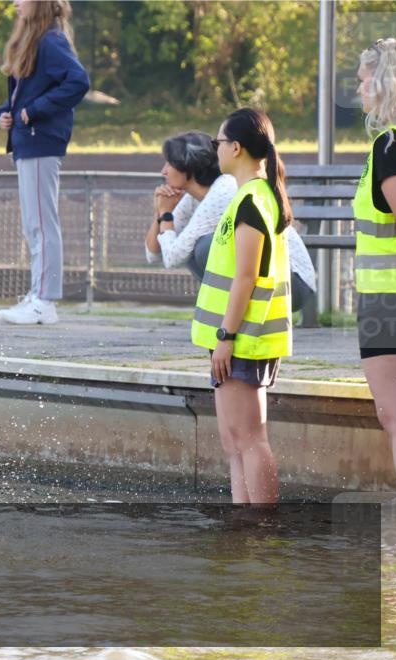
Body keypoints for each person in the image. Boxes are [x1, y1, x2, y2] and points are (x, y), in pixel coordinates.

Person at [190, 109, 294, 504]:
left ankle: (261, 534)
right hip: (233, 339)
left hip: (242, 338)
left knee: (250, 440)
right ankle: (243, 530)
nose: (215, 150)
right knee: (234, 442)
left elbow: (246, 277)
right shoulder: (250, 196)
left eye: (217, 143)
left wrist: (226, 337)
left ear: (235, 148)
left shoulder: (253, 200)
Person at [146, 131, 317, 311]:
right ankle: (231, 316)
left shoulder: (222, 191)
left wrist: (166, 214)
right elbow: (154, 254)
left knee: (203, 247)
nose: (163, 171)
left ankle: (232, 320)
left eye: (170, 163)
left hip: (292, 283)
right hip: (273, 281)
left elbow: (173, 258)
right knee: (193, 247)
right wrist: (160, 212)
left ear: (187, 166)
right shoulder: (194, 198)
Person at [0, 0, 89, 325]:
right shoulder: (38, 41)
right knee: (35, 224)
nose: (16, 4)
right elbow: (24, 93)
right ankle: (38, 295)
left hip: (40, 140)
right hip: (28, 141)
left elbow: (78, 81)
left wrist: (33, 111)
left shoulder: (51, 40)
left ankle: (44, 302)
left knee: (42, 224)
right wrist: (5, 113)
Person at [353, 38, 396, 493]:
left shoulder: (391, 147)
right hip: (383, 300)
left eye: (365, 79)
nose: (360, 89)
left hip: (389, 303)